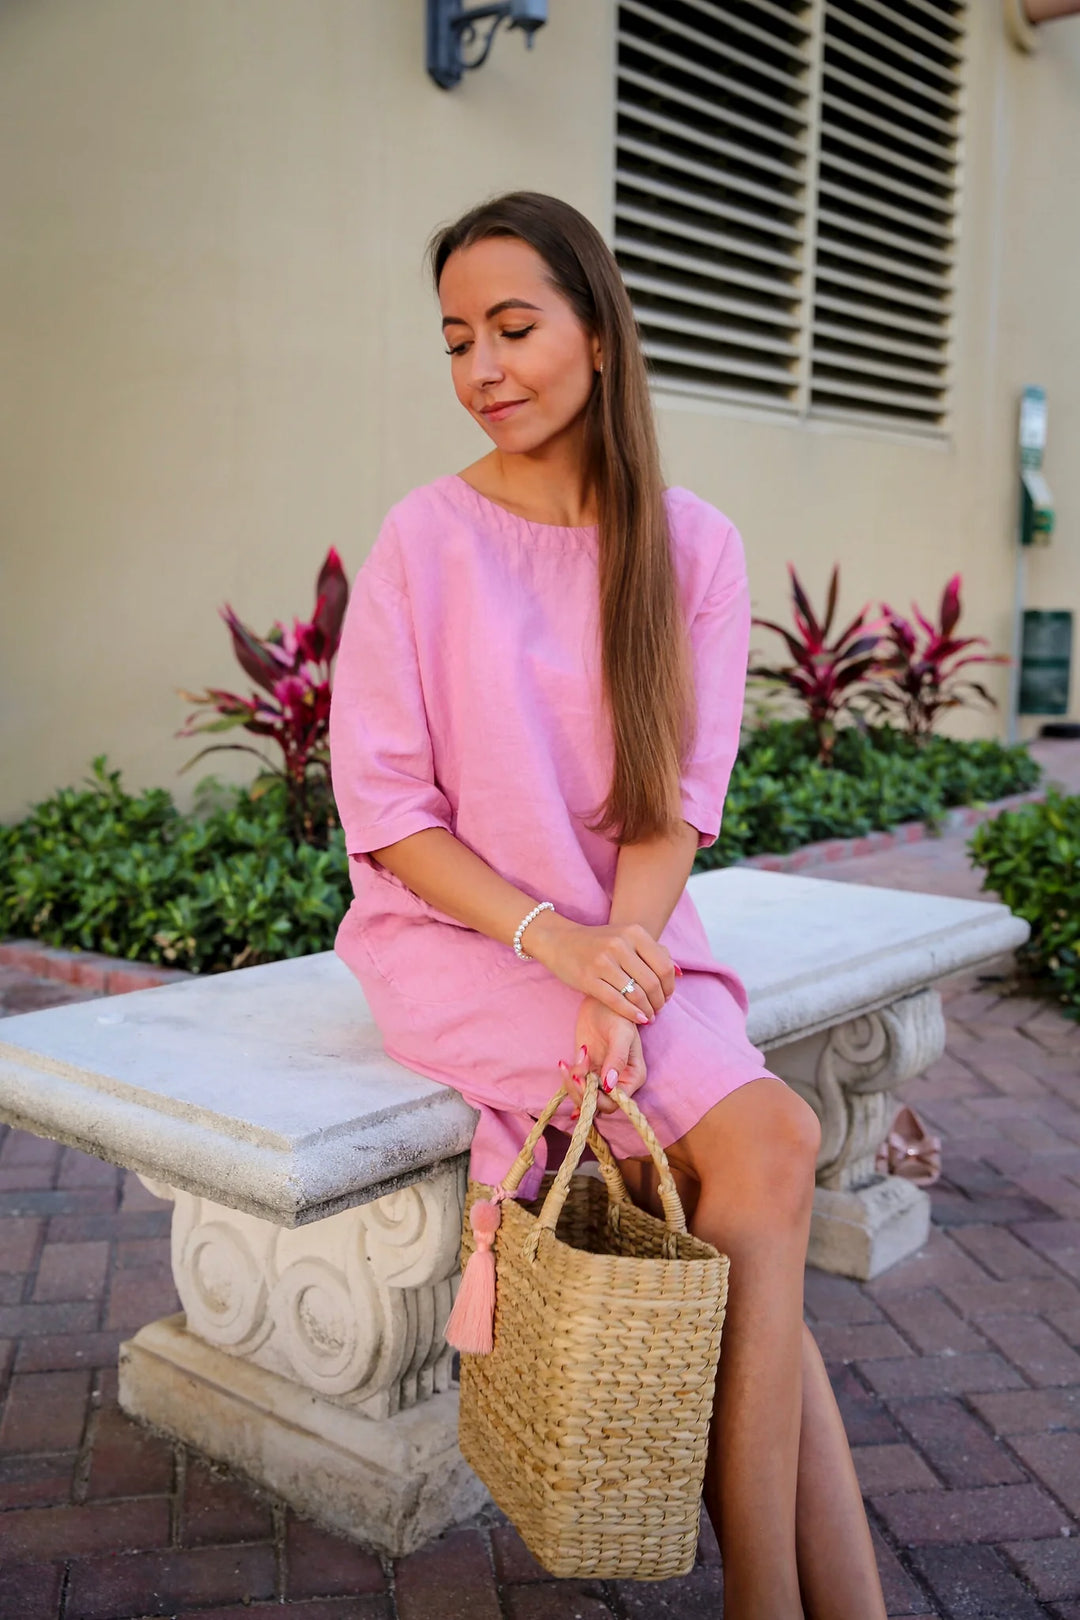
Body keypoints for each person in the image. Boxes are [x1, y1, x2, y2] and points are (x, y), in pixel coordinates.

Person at [329, 191, 886, 1620]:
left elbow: (672, 803)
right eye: (457, 339)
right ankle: (787, 1601)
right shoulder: (423, 540)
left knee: (753, 1178)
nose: (483, 368)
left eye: (514, 327)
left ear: (599, 332)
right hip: (463, 939)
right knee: (765, 1148)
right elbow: (389, 817)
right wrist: (559, 949)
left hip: (626, 932)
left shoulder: (691, 545)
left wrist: (614, 965)